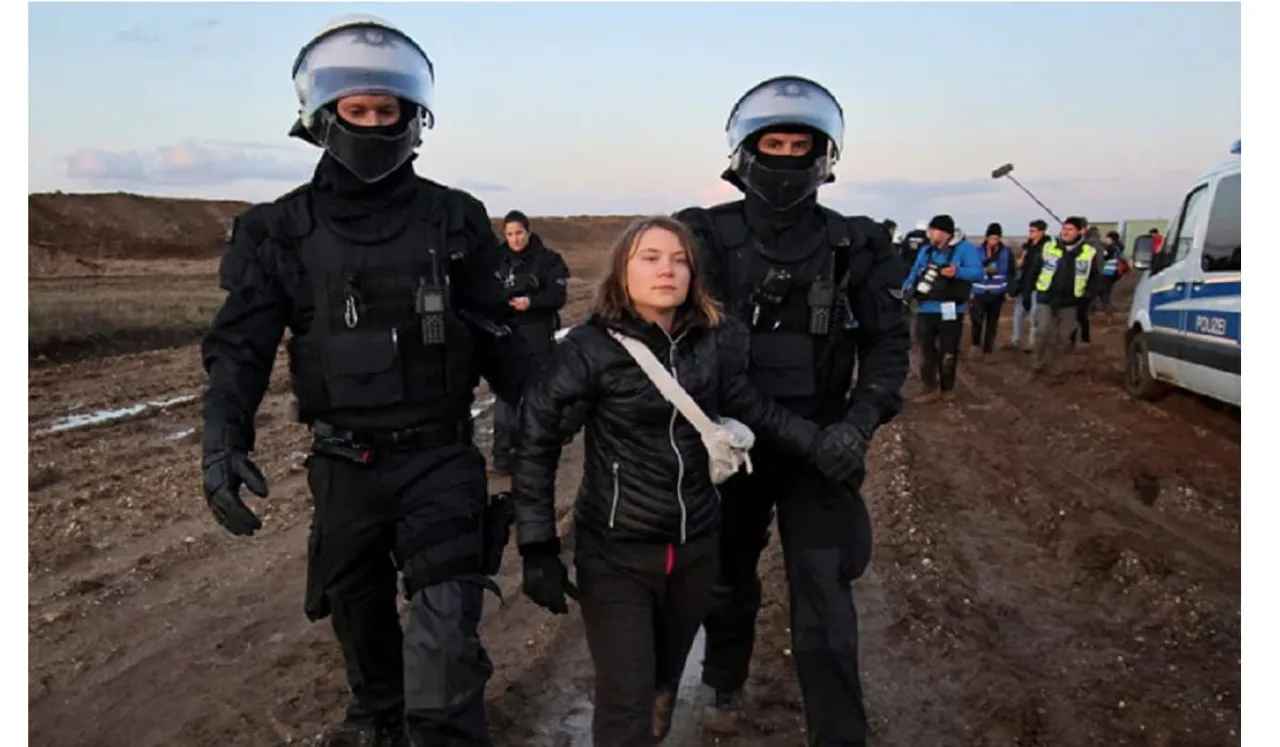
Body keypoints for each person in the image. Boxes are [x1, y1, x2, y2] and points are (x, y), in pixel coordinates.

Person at [199, 15, 533, 747]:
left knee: (445, 640)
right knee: (359, 617)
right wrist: (222, 436)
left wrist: (574, 413)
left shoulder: (456, 218)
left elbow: (500, 340)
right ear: (324, 118)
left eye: (390, 111)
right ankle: (378, 715)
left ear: (415, 118)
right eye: (359, 111)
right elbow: (241, 347)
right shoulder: (277, 230)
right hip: (344, 462)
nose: (376, 125)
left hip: (442, 457)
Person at [512, 215, 864, 747]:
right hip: (616, 552)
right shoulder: (588, 349)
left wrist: (822, 447)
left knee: (662, 678)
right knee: (626, 699)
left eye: (679, 260)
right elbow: (536, 438)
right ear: (621, 271)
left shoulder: (713, 342)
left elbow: (755, 409)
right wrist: (537, 543)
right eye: (650, 258)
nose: (667, 270)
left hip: (697, 548)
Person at [672, 75, 911, 746]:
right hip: (733, 442)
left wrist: (859, 424)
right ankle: (723, 677)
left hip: (827, 443)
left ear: (823, 153)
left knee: (826, 594)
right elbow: (707, 357)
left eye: (797, 143)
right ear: (746, 152)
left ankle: (839, 735)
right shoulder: (704, 236)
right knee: (725, 577)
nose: (784, 157)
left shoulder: (857, 242)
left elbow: (889, 344)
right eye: (771, 143)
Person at [489, 209, 569, 475]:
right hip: (504, 335)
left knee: (537, 396)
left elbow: (557, 296)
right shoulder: (494, 260)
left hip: (536, 333)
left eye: (519, 233)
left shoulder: (548, 260)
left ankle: (536, 453)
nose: (515, 239)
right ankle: (503, 456)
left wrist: (531, 302)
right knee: (504, 397)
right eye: (510, 234)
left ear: (528, 231)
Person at [901, 215, 984, 403]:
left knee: (948, 349)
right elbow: (915, 272)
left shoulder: (966, 250)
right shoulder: (926, 250)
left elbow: (978, 273)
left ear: (944, 232)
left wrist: (958, 272)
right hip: (925, 307)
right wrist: (906, 290)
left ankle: (947, 388)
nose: (929, 233)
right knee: (925, 348)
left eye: (933, 230)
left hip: (951, 308)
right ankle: (928, 386)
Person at [1025, 216, 1101, 383]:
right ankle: (1037, 364)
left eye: (1070, 229)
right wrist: (1026, 291)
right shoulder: (1049, 247)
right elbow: (1034, 269)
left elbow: (1094, 278)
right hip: (1046, 297)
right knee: (1042, 331)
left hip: (1071, 302)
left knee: (1063, 338)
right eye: (1064, 229)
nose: (1066, 232)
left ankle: (1056, 370)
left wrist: (1088, 300)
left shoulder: (1088, 252)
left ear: (1080, 232)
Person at [969, 222, 1012, 360]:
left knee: (992, 323)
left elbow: (1011, 272)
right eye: (992, 237)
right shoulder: (977, 252)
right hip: (979, 291)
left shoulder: (1006, 253)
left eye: (997, 238)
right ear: (987, 237)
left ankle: (988, 350)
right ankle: (975, 345)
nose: (994, 240)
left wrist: (1009, 290)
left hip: (997, 293)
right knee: (976, 321)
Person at [1008, 219, 1050, 353]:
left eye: (1033, 231)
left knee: (1034, 315)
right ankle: (1015, 340)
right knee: (1018, 313)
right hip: (1024, 283)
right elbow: (1020, 265)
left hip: (1038, 285)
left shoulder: (1047, 248)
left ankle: (1032, 343)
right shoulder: (1027, 247)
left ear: (1041, 232)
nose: (1030, 233)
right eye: (1030, 230)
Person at [1094, 230, 1124, 317]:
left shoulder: (1110, 248)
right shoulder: (1119, 247)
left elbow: (1104, 256)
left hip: (1108, 271)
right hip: (1114, 272)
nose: (1105, 239)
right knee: (1106, 290)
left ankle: (1107, 309)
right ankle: (1107, 307)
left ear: (1111, 239)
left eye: (1107, 238)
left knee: (1102, 289)